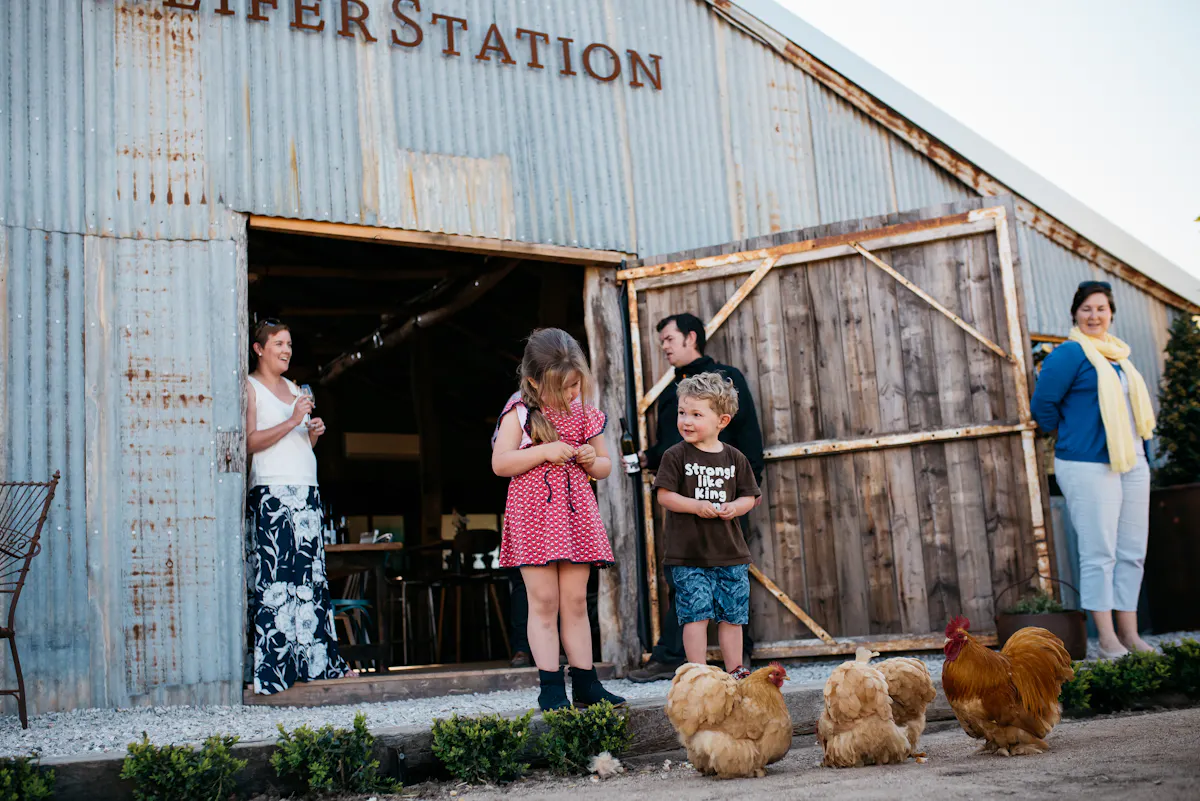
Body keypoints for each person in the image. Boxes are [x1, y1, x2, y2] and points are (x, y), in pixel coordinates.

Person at [491, 328, 626, 710]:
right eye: (561, 388)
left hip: (574, 515)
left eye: (574, 385)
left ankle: (586, 683)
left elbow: (605, 466)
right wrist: (545, 451)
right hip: (533, 516)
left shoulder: (584, 410)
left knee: (576, 600)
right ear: (534, 381)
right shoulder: (519, 411)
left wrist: (591, 460)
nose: (570, 394)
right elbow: (501, 463)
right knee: (544, 600)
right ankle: (550, 686)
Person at [630, 312, 765, 682]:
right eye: (682, 413)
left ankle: (737, 665)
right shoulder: (674, 391)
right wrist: (646, 458)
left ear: (691, 337)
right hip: (687, 527)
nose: (665, 347)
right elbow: (666, 449)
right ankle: (686, 665)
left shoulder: (726, 380)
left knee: (732, 601)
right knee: (691, 598)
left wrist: (744, 495)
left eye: (669, 339)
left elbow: (748, 437)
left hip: (726, 505)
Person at [1031, 281, 1157, 659]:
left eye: (1101, 308)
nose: (1094, 315)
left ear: (1111, 313)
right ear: (1075, 313)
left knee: (1132, 551)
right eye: (1086, 308)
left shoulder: (1120, 355)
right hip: (1087, 463)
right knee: (1099, 552)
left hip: (1132, 461)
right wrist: (1072, 434)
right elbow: (1043, 406)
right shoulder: (1070, 353)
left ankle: (1130, 634)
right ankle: (1106, 639)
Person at [245, 319, 355, 694]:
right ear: (259, 349)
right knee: (277, 581)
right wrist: (293, 419)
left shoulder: (294, 388)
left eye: (289, 344)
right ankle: (275, 668)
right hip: (273, 491)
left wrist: (309, 433)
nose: (286, 350)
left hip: (306, 490)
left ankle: (315, 664)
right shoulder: (250, 386)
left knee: (308, 582)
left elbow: (298, 445)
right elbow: (249, 442)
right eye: (278, 343)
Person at [653, 373, 762, 677]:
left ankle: (736, 669)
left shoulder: (735, 458)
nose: (686, 421)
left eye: (696, 415)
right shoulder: (675, 455)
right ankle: (697, 673)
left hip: (730, 554)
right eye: (682, 413)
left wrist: (735, 508)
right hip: (689, 556)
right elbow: (664, 496)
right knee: (695, 615)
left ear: (722, 421)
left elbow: (750, 497)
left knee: (733, 616)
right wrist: (695, 505)